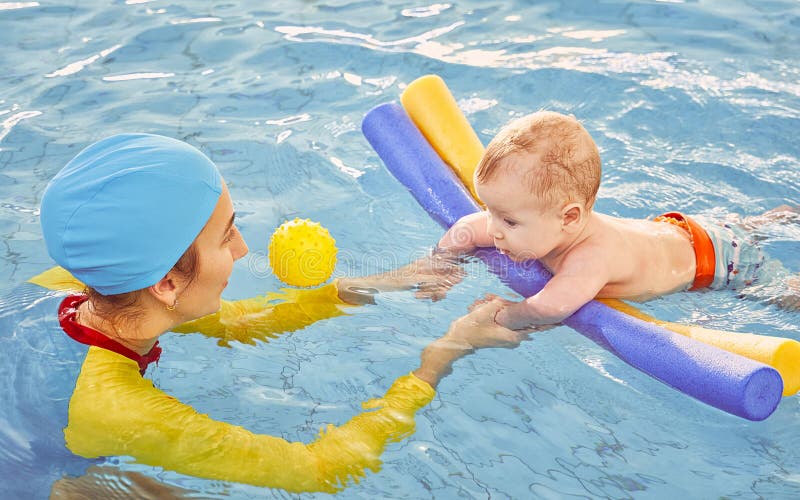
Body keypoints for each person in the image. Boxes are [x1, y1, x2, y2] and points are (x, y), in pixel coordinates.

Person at [28, 133, 521, 494]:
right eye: (226, 235)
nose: (242, 249)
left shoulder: (69, 283)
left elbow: (238, 322)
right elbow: (318, 469)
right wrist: (445, 351)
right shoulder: (117, 409)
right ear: (166, 284)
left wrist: (375, 284)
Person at [437, 111, 799, 331]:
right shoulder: (530, 219)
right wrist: (440, 263)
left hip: (718, 262)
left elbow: (548, 309)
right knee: (745, 228)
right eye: (491, 211)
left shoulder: (590, 258)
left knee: (785, 294)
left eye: (509, 221)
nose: (494, 228)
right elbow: (466, 230)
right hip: (679, 229)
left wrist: (504, 314)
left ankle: (768, 230)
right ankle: (771, 220)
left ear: (569, 218)